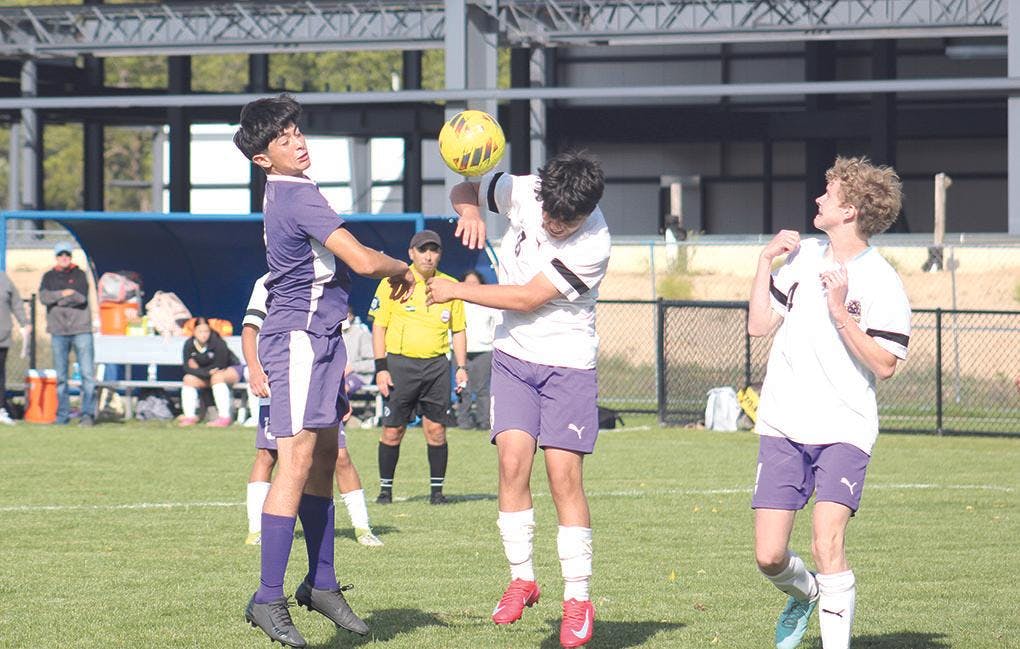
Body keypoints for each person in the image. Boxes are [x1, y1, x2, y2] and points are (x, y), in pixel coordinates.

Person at [233, 93, 413, 648]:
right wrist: (401, 267)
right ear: (262, 158)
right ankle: (268, 597)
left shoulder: (289, 188)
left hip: (323, 337)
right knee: (294, 461)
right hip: (298, 340)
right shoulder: (295, 192)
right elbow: (359, 259)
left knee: (325, 457)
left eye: (297, 132)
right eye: (283, 139)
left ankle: (323, 582)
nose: (298, 142)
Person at [426, 151, 609, 649]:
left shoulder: (594, 242)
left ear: (587, 211)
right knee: (511, 464)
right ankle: (522, 579)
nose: (553, 223)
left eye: (565, 220)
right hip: (513, 358)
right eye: (550, 212)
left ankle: (577, 598)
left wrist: (456, 292)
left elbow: (527, 297)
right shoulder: (527, 190)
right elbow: (464, 187)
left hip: (567, 363)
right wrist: (469, 212)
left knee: (563, 476)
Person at [746, 157, 910, 649]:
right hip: (782, 425)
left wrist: (841, 312)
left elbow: (884, 364)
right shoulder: (802, 258)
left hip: (844, 429)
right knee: (769, 556)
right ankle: (805, 593)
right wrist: (763, 262)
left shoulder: (882, 280)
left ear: (851, 211)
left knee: (826, 543)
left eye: (829, 194)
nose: (818, 199)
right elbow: (758, 327)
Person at [241, 273, 383, 549]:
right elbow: (250, 329)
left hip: (320, 384)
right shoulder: (267, 281)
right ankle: (256, 529)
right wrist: (255, 370)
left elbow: (333, 343)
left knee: (340, 455)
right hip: (281, 381)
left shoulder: (325, 279)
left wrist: (340, 388)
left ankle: (362, 527)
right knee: (268, 455)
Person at [368, 229, 467, 506]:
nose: (428, 255)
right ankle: (385, 491)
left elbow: (458, 330)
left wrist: (461, 367)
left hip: (436, 366)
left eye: (434, 250)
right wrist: (381, 368)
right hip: (400, 365)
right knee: (392, 430)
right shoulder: (393, 282)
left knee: (436, 430)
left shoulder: (450, 286)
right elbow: (379, 326)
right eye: (423, 250)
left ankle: (437, 493)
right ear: (411, 253)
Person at [39, 241, 96, 426]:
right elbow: (43, 297)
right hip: (58, 331)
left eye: (67, 255)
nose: (64, 258)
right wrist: (64, 293)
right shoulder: (48, 276)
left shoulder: (80, 275)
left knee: (87, 374)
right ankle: (62, 415)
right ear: (56, 257)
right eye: (61, 255)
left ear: (71, 257)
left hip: (81, 330)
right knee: (61, 376)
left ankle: (87, 414)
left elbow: (80, 298)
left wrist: (57, 298)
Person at [179, 317, 243, 427]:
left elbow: (220, 365)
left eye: (206, 331)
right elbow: (187, 368)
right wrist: (206, 372)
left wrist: (199, 369)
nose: (203, 334)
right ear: (194, 332)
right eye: (200, 331)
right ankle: (190, 416)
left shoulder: (217, 342)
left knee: (217, 377)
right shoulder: (189, 344)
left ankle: (224, 417)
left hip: (231, 370)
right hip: (208, 376)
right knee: (188, 379)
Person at [455, 270, 498, 430]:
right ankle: (463, 422)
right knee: (463, 388)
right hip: (461, 352)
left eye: (475, 283)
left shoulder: (488, 302)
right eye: (468, 283)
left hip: (483, 350)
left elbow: (496, 323)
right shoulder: (457, 302)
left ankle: (484, 422)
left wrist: (492, 342)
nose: (472, 286)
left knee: (481, 389)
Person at [0, 271, 30, 425]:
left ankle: (1, 410)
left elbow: (16, 303)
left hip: (2, 338)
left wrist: (24, 322)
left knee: (0, 376)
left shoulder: (4, 279)